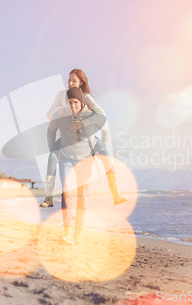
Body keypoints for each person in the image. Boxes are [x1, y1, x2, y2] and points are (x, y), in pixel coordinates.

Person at [39, 69, 127, 208]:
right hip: (66, 138)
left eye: (74, 81)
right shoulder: (61, 95)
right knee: (52, 158)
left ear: (81, 83)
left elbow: (101, 114)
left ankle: (115, 194)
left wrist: (84, 122)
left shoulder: (86, 97)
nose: (70, 83)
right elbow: (49, 115)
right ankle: (48, 197)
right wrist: (57, 111)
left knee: (105, 156)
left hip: (87, 137)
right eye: (69, 80)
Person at [47, 87, 105, 245]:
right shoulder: (62, 116)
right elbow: (50, 130)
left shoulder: (90, 116)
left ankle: (78, 233)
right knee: (67, 194)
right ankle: (68, 232)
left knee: (83, 198)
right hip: (66, 159)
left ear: (81, 103)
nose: (72, 106)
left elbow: (101, 122)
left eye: (75, 103)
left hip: (85, 161)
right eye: (70, 103)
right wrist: (53, 148)